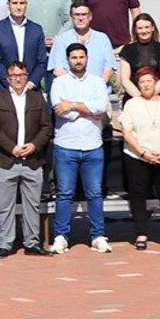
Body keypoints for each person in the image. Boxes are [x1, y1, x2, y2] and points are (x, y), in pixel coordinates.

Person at [0, 60, 53, 257]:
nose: (17, 79)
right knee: (5, 205)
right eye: (13, 76)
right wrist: (11, 147)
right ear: (7, 79)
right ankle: (5, 243)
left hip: (32, 159)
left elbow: (47, 127)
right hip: (6, 159)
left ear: (27, 76)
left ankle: (32, 242)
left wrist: (34, 145)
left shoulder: (37, 98)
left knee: (33, 204)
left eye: (21, 75)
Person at [49, 43, 112, 254]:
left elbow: (101, 108)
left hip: (93, 145)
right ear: (68, 60)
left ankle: (98, 236)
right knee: (64, 194)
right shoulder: (59, 82)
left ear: (87, 58)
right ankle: (61, 236)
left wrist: (74, 105)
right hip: (66, 146)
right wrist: (87, 108)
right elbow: (60, 110)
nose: (78, 60)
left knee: (94, 194)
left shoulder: (97, 82)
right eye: (74, 57)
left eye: (81, 57)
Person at [116, 66, 160, 251]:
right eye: (142, 81)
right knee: (138, 195)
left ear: (156, 82)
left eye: (149, 81)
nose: (146, 84)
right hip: (137, 157)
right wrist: (143, 153)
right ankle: (141, 234)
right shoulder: (132, 104)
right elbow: (126, 131)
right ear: (138, 85)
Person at [0, 0, 48, 93]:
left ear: (26, 5)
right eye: (15, 3)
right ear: (8, 5)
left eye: (22, 3)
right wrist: (12, 83)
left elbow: (42, 61)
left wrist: (31, 83)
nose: (18, 7)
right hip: (4, 88)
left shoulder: (36, 29)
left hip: (30, 89)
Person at [47, 2, 117, 84]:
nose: (80, 18)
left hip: (98, 91)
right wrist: (78, 87)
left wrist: (97, 86)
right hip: (70, 91)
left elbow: (109, 69)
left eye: (84, 14)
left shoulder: (102, 39)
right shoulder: (61, 40)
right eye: (76, 15)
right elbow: (58, 70)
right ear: (71, 17)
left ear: (90, 16)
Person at [116, 12, 160, 102]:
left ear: (153, 28)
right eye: (140, 28)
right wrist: (140, 98)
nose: (143, 31)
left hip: (158, 98)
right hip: (134, 99)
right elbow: (125, 80)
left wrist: (150, 95)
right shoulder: (127, 50)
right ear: (135, 30)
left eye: (147, 27)